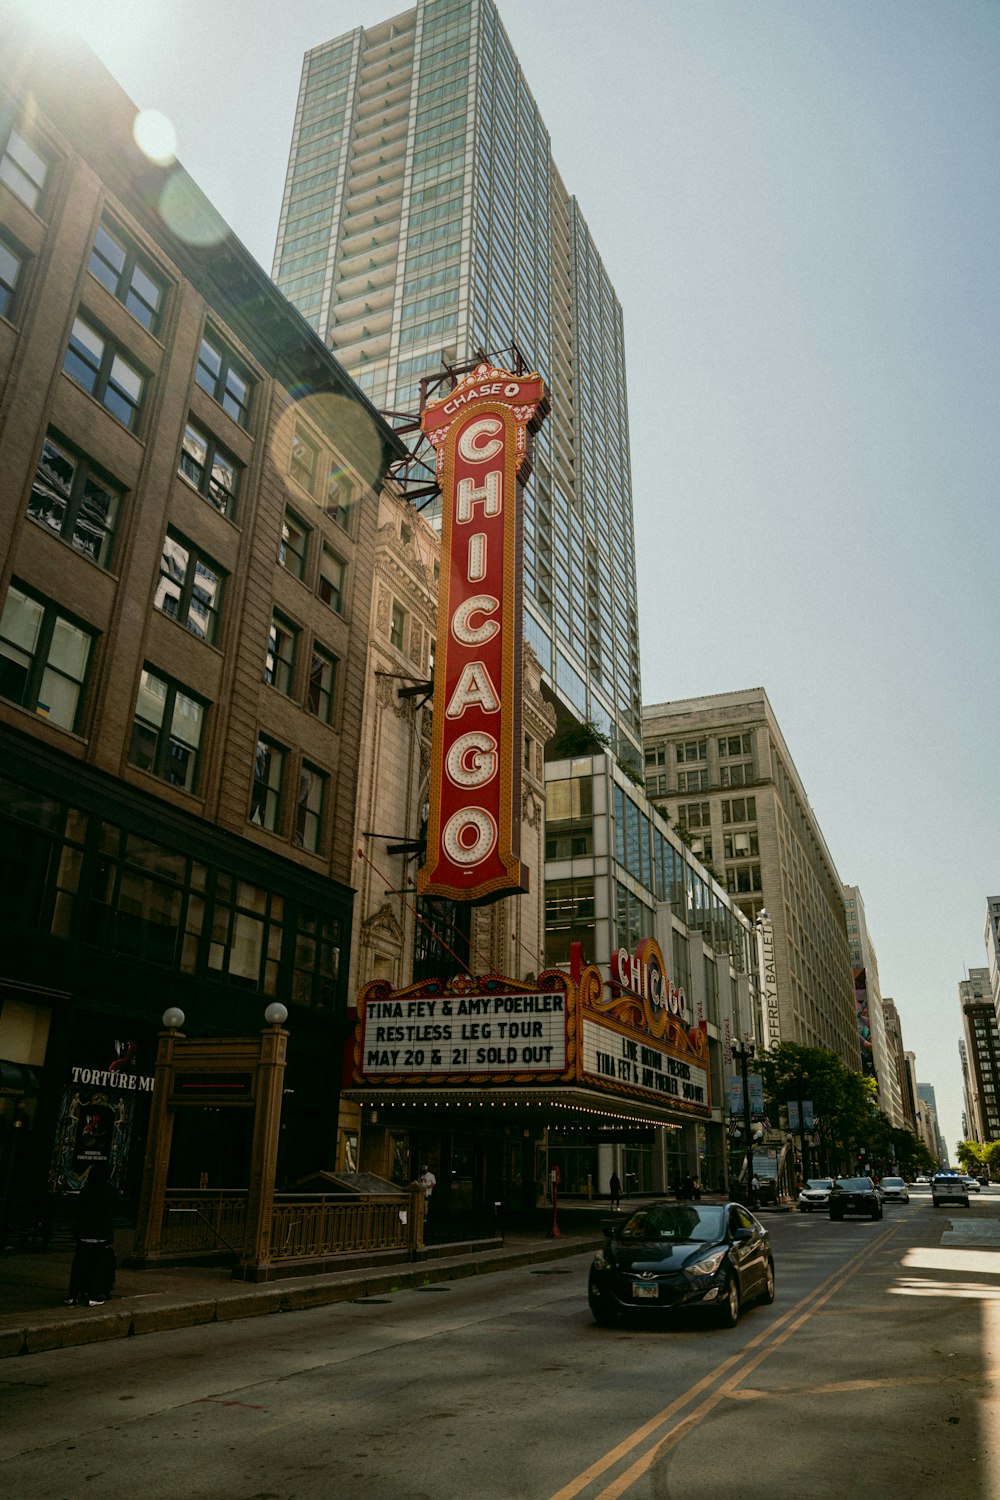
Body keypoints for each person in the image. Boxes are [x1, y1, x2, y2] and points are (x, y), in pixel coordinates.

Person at [66, 1162, 118, 1307]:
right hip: (101, 1232)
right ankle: (93, 1296)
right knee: (98, 1265)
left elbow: (77, 1209)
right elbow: (116, 1210)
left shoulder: (86, 1189)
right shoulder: (111, 1190)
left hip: (84, 1231)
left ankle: (73, 1295)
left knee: (79, 1265)